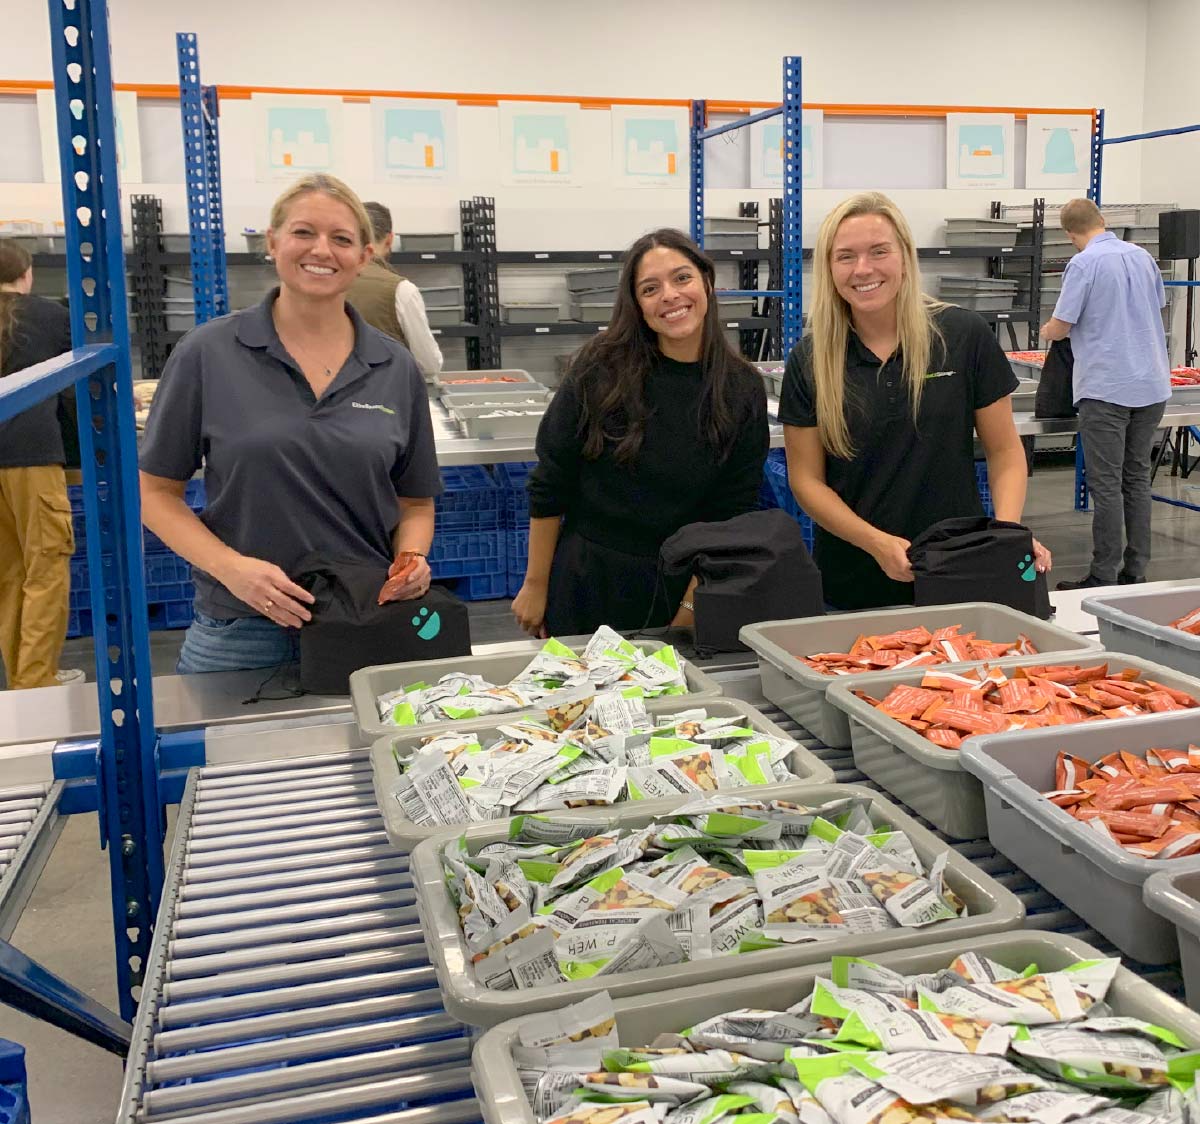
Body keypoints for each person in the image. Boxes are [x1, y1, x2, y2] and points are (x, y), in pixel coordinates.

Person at [140, 174, 442, 675]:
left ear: (365, 256)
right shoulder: (209, 352)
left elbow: (415, 502)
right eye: (304, 232)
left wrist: (410, 558)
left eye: (342, 238)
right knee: (226, 754)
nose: (322, 250)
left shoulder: (394, 366)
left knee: (369, 756)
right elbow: (154, 493)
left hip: (364, 620)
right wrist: (231, 569)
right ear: (273, 241)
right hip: (241, 628)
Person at [780, 191, 1051, 612]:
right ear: (829, 269)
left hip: (959, 570)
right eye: (845, 256)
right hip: (854, 581)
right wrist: (877, 544)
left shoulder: (963, 335)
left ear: (904, 256)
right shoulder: (811, 360)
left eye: (878, 251)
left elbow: (1004, 452)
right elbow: (807, 481)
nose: (863, 269)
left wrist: (1005, 534)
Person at [511, 228, 769, 636]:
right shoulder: (598, 369)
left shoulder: (741, 388)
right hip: (587, 580)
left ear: (706, 281)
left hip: (679, 584)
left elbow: (730, 516)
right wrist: (536, 584)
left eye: (682, 278)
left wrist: (689, 608)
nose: (669, 295)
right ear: (637, 303)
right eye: (651, 288)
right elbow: (550, 482)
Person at [1040, 197, 1171, 590]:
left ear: (1069, 234)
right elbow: (1158, 304)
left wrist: (1046, 330)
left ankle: (1102, 573)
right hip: (1151, 385)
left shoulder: (1083, 263)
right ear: (1103, 220)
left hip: (1107, 390)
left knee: (1107, 485)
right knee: (1136, 480)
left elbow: (1062, 325)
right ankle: (1136, 570)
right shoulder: (1142, 256)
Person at [0, 240, 75, 689]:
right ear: (26, 274)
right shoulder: (49, 316)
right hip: (32, 459)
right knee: (46, 567)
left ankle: (22, 678)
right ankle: (36, 683)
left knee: (8, 574)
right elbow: (80, 391)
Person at [346, 200, 444, 377]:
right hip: (386, 396)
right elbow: (429, 364)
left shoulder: (329, 281)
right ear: (390, 239)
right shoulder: (401, 290)